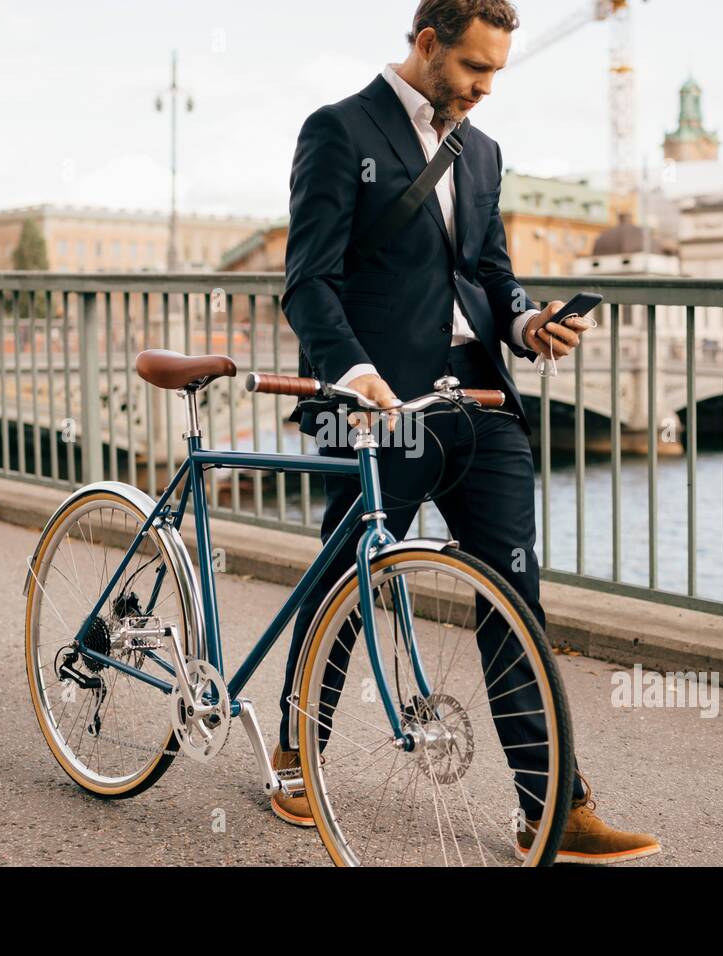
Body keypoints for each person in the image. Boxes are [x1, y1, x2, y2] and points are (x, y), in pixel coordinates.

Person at [274, 0, 660, 864]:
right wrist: (354, 371)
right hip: (380, 403)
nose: (486, 88)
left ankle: (550, 806)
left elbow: (489, 273)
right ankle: (299, 757)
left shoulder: (481, 152)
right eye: (474, 69)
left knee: (514, 600)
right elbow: (308, 282)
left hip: (480, 401)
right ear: (426, 44)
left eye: (497, 72)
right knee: (347, 581)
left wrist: (528, 327)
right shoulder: (339, 130)